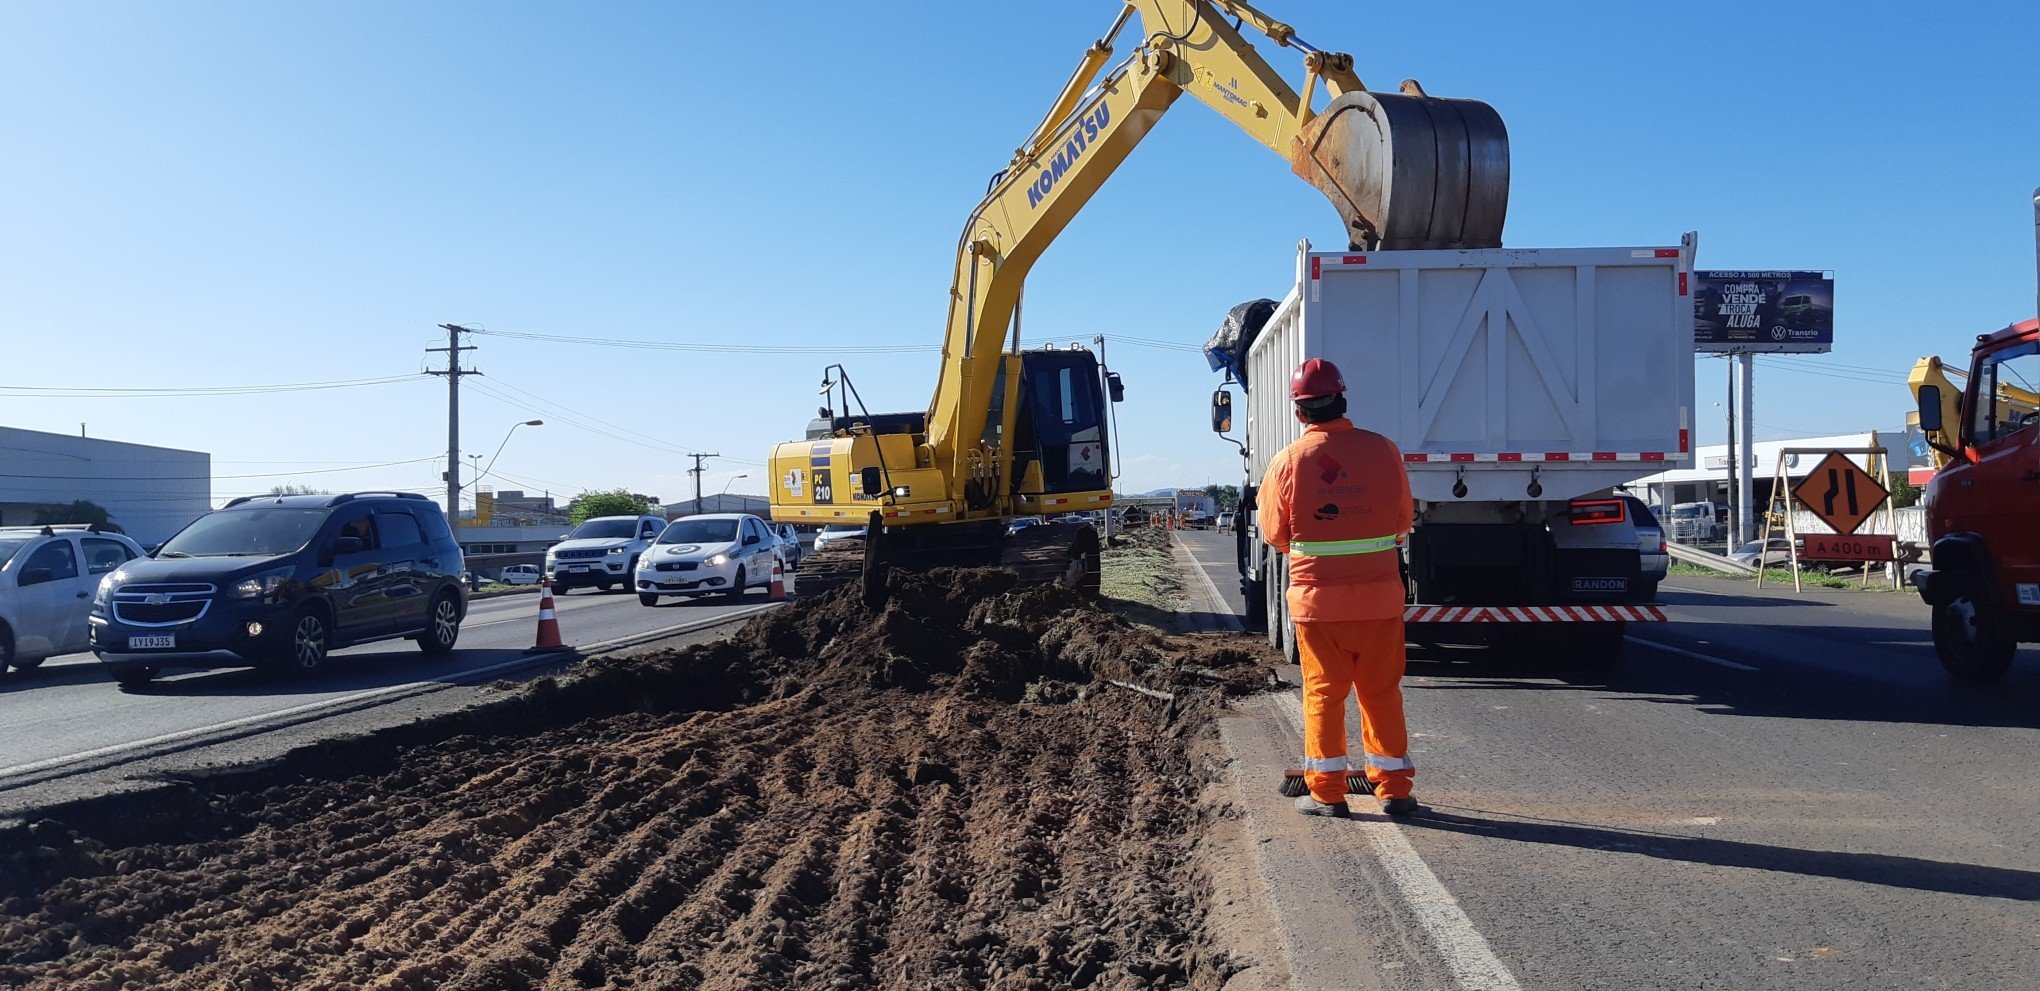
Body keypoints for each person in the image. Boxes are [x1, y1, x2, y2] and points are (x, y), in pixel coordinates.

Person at [1258, 357, 1417, 818]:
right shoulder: (1384, 450)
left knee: (1324, 692)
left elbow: (1275, 533)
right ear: (1343, 399)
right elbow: (1403, 521)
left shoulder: (1288, 461)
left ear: (1299, 411)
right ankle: (1394, 790)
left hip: (1318, 604)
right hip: (1380, 600)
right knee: (1382, 693)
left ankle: (1327, 793)